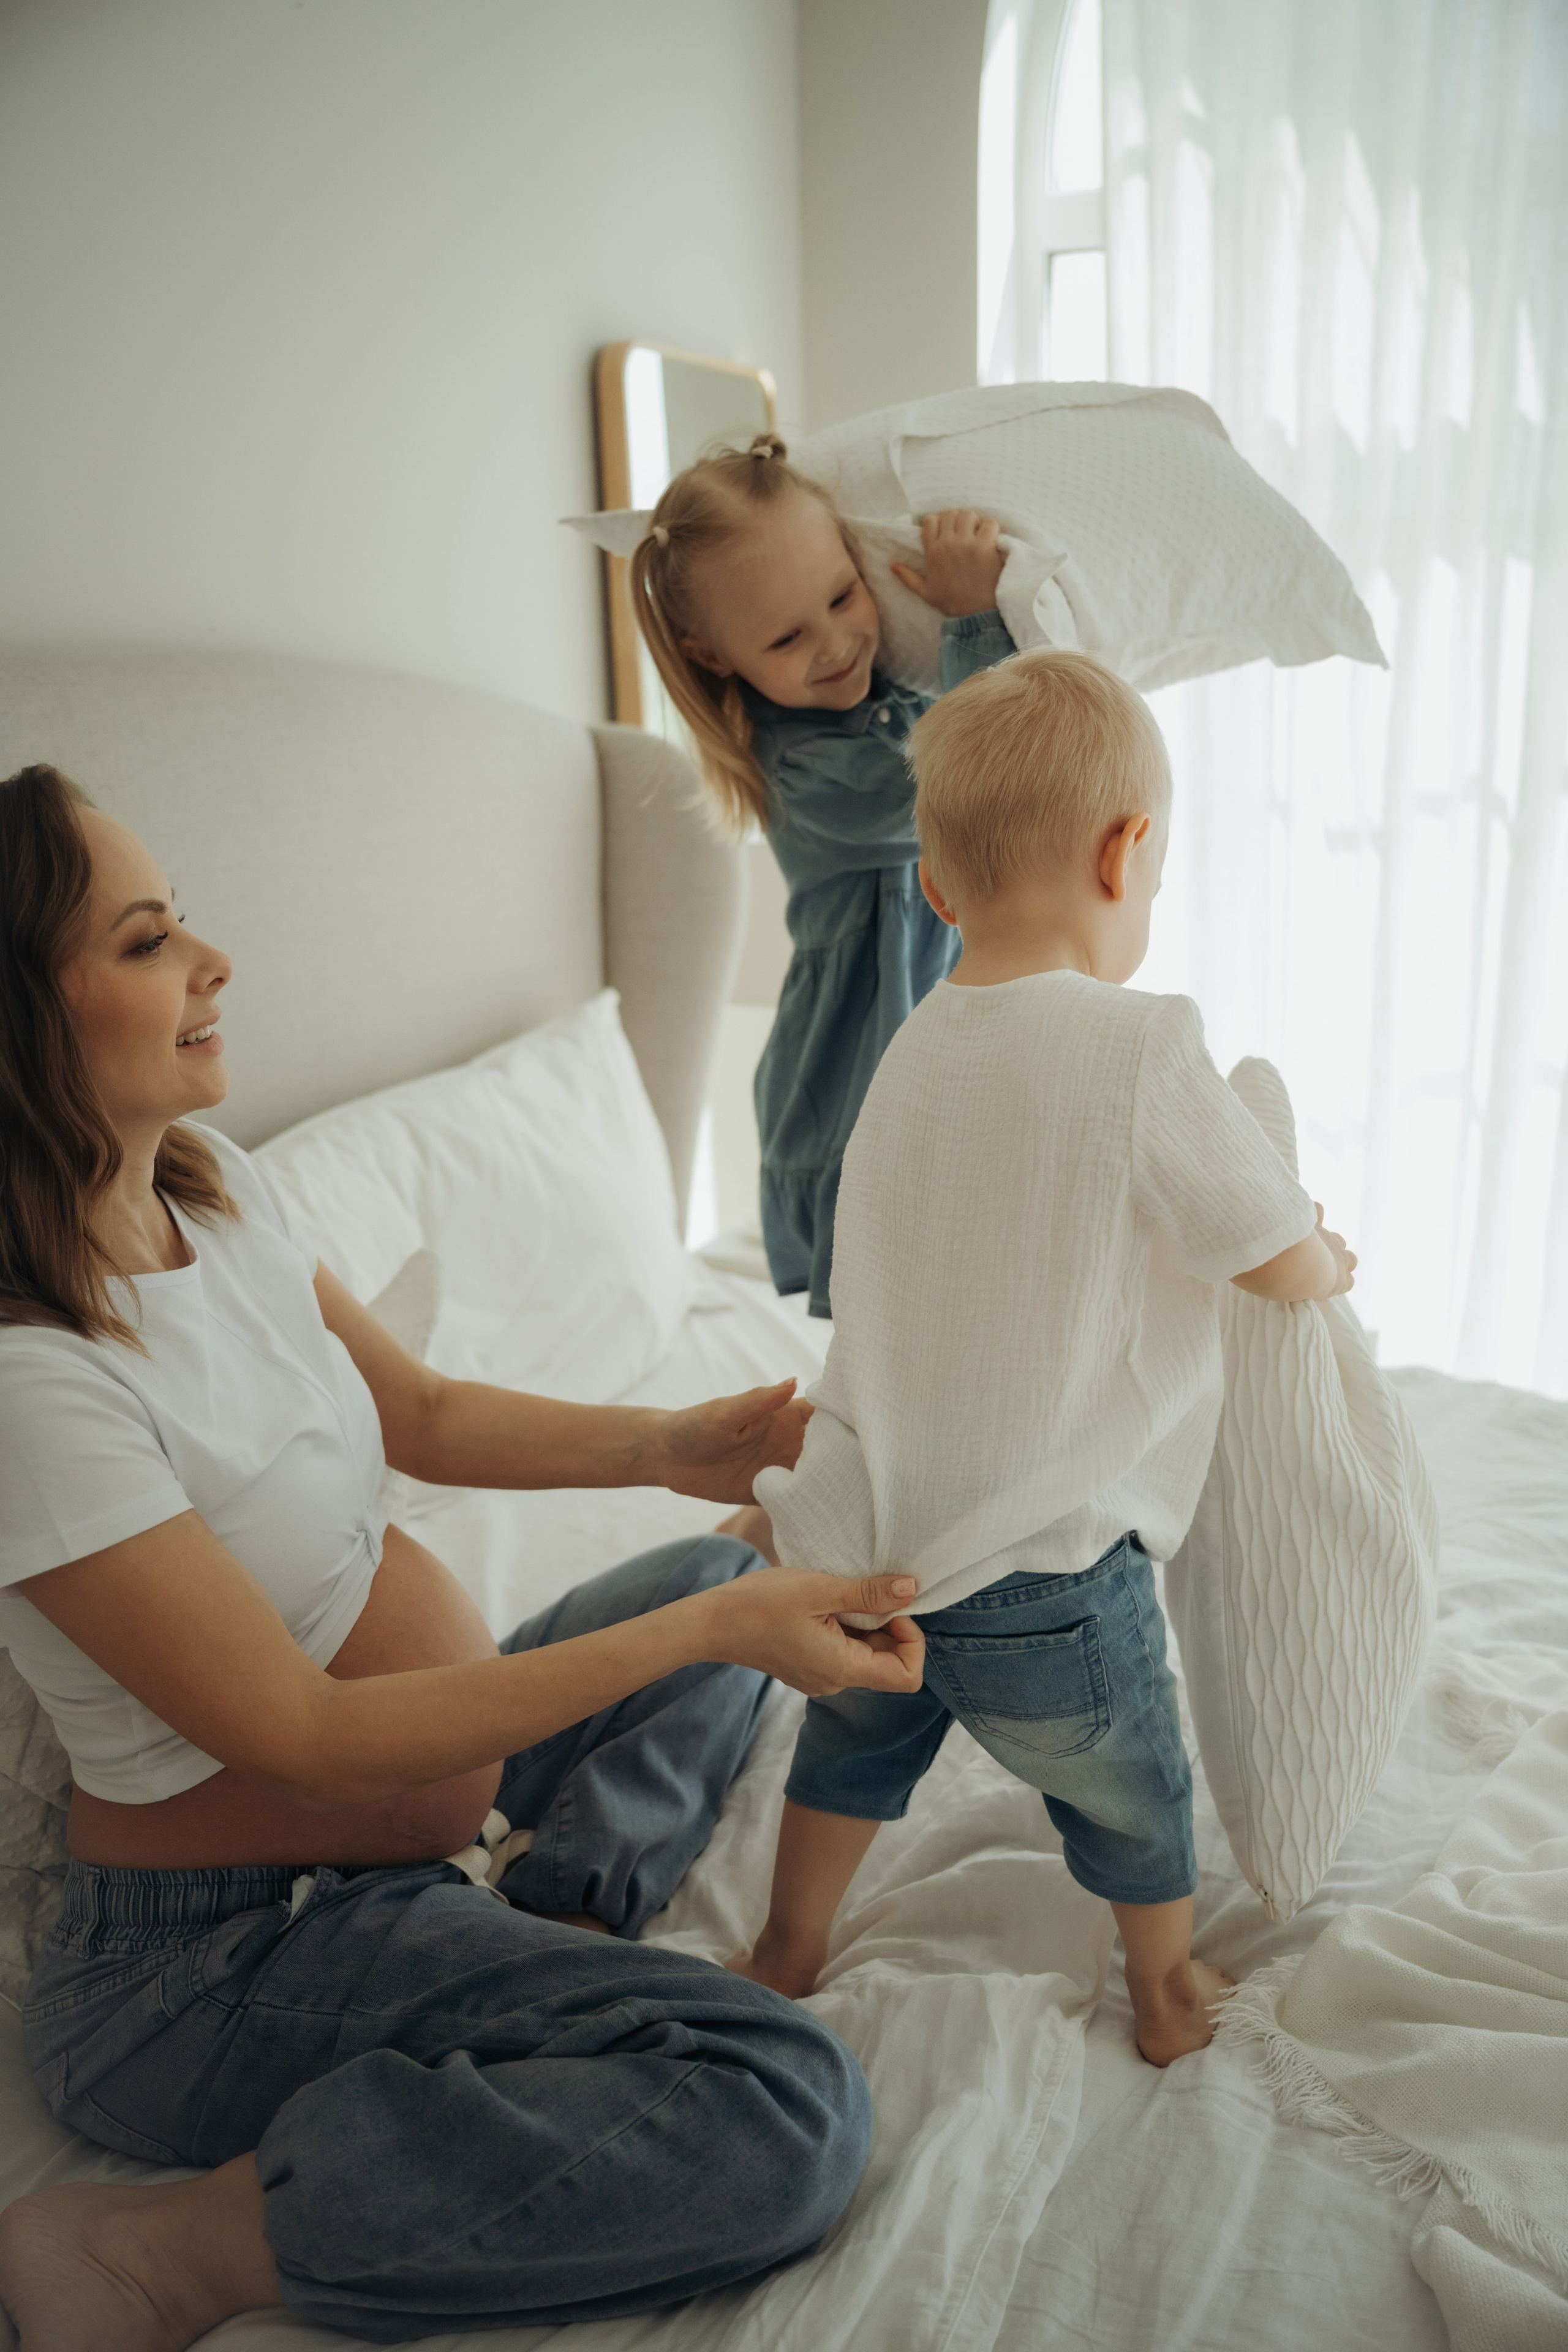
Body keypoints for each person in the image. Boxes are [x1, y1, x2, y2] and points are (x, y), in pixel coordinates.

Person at [0, 763, 925, 2350]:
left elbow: (416, 1411)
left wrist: (672, 1447)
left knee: (713, 1572)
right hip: (215, 1958)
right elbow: (302, 1733)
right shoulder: (29, 1382)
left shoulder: (217, 1202)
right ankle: (173, 2253)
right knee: (786, 2100)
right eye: (149, 941)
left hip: (405, 1834)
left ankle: (554, 1912)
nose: (214, 962)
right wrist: (710, 1646)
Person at [734, 650, 1359, 2065]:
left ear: (937, 889)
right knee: (1132, 1789)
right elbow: (1257, 1242)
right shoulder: (1140, 1045)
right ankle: (1159, 1987)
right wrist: (1322, 1254)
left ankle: (786, 1944)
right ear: (1125, 849)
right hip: (1046, 1575)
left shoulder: (911, 1049)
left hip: (873, 1547)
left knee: (847, 1759)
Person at [629, 434, 1016, 1318]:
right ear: (716, 656)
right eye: (786, 636)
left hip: (945, 1026)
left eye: (843, 596)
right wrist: (972, 623)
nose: (837, 643)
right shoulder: (798, 767)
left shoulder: (903, 695)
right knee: (898, 1295)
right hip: (857, 1062)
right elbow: (966, 776)